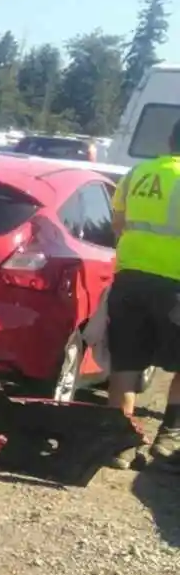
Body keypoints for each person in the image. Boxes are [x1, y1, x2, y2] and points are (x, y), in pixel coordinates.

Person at [108, 119, 180, 468]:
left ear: (169, 139)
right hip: (177, 283)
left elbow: (118, 224)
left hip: (131, 279)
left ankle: (120, 442)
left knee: (126, 361)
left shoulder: (137, 173)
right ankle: (168, 440)